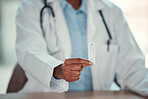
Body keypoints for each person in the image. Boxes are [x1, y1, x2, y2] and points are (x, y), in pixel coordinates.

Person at [15, 0, 148, 96]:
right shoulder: (30, 7)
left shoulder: (111, 12)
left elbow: (133, 69)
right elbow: (29, 50)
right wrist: (57, 70)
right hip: (45, 96)